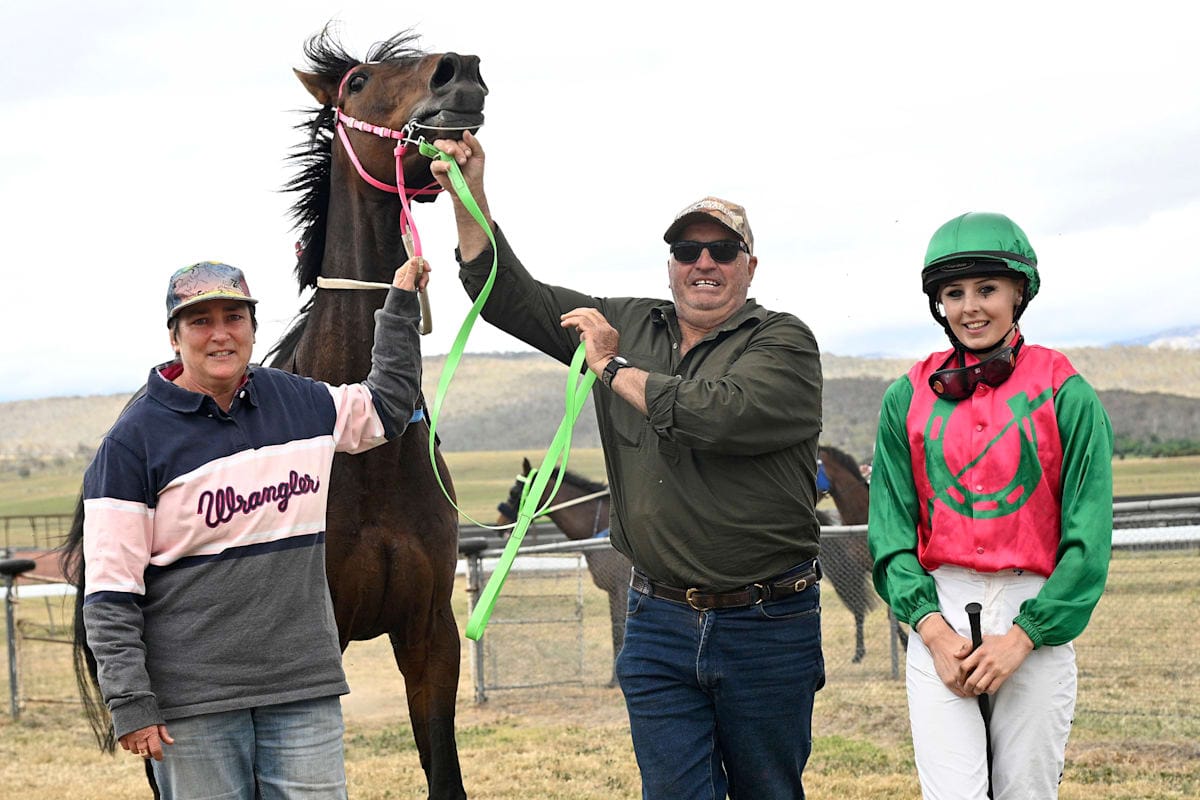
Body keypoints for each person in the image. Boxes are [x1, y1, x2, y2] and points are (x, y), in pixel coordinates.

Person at [430, 132, 825, 799]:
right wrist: (470, 193)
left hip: (766, 626)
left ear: (749, 266)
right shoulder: (629, 321)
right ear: (669, 263)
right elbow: (507, 297)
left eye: (721, 250)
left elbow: (716, 414)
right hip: (659, 622)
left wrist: (611, 366)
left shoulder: (783, 341)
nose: (704, 262)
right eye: (687, 250)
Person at [81, 257, 429, 798]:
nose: (220, 334)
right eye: (200, 321)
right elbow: (110, 592)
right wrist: (130, 702)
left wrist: (401, 307)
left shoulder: (300, 402)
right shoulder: (132, 444)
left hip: (302, 690)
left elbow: (387, 406)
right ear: (174, 336)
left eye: (234, 317)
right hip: (193, 706)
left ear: (252, 328)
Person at [867, 212, 1113, 799]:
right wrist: (931, 630)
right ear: (938, 304)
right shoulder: (905, 398)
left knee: (1025, 792)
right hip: (940, 615)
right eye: (954, 294)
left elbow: (1087, 541)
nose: (970, 307)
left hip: (1035, 614)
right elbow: (892, 532)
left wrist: (1025, 636)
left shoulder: (1067, 393)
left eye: (987, 289)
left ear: (1018, 293)